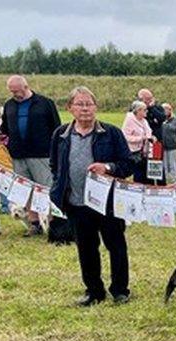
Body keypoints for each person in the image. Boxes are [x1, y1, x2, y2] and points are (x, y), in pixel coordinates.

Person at [49, 86, 134, 306]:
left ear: (96, 107)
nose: (85, 108)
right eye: (80, 104)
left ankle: (120, 290)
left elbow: (128, 164)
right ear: (70, 108)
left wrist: (107, 167)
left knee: (116, 245)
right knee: (86, 249)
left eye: (89, 104)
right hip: (76, 203)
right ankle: (94, 291)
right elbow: (54, 165)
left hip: (107, 203)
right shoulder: (60, 135)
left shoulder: (111, 133)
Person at [0, 75, 61, 236]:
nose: (14, 94)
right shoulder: (9, 105)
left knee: (45, 188)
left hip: (41, 154)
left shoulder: (45, 103)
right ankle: (34, 223)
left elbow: (56, 128)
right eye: (11, 91)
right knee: (26, 190)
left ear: (26, 87)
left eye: (17, 91)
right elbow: (4, 128)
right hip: (18, 155)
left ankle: (53, 222)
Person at [122, 101, 155, 184]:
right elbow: (125, 136)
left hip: (146, 151)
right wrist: (141, 138)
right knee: (139, 176)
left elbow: (149, 132)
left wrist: (151, 137)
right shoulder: (129, 120)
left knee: (148, 175)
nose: (146, 111)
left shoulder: (144, 121)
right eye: (144, 110)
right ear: (138, 111)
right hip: (135, 152)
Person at [160, 103, 176, 183]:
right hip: (163, 146)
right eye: (163, 109)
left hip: (172, 145)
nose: (165, 111)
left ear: (170, 110)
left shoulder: (174, 120)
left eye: (166, 109)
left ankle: (174, 179)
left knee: (172, 163)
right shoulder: (160, 119)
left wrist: (174, 139)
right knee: (164, 163)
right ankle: (166, 178)